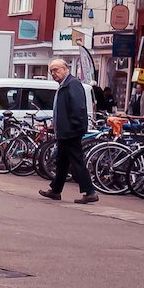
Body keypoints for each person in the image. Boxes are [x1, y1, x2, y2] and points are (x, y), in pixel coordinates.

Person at [42, 58, 97, 204]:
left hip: (71, 131)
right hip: (64, 131)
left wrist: (76, 128)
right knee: (62, 161)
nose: (53, 74)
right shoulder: (64, 85)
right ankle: (55, 190)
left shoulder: (72, 84)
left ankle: (90, 192)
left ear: (65, 69)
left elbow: (78, 108)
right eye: (51, 71)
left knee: (76, 161)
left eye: (56, 70)